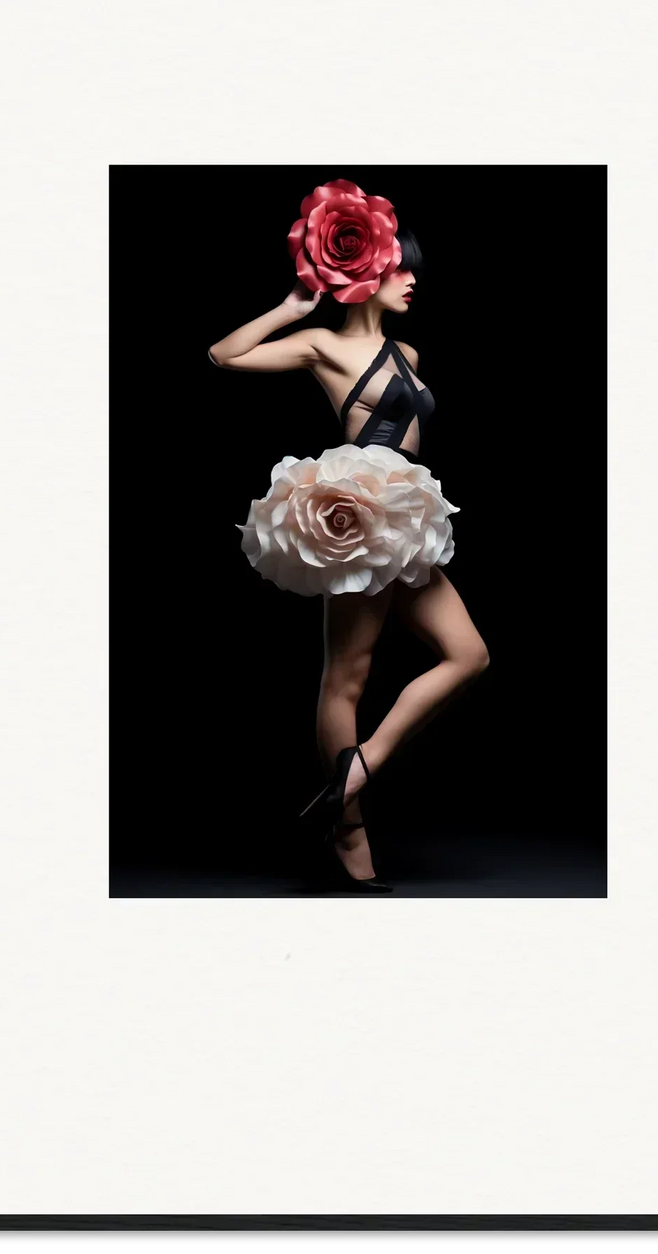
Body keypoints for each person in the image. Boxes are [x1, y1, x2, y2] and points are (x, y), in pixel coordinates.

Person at [208, 222, 490, 893]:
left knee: (468, 655)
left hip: (404, 515)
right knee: (346, 677)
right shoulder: (324, 344)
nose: (412, 280)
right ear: (367, 274)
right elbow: (224, 355)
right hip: (356, 513)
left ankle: (358, 766)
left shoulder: (408, 353)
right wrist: (292, 307)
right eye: (400, 269)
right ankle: (350, 826)